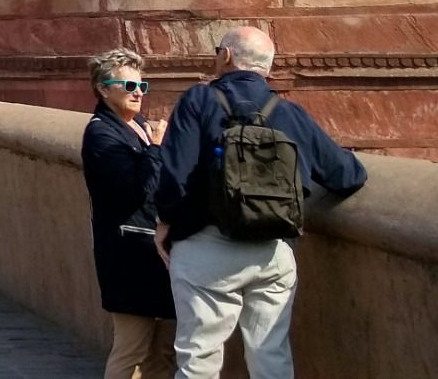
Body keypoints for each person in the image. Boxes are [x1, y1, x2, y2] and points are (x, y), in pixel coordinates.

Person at [153, 24, 368, 379]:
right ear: (267, 68)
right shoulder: (288, 113)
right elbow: (348, 176)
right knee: (271, 357)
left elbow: (174, 179)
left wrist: (165, 225)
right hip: (272, 249)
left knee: (198, 359)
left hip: (205, 247)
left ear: (225, 56)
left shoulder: (199, 100)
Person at [81, 49, 174, 379]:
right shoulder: (101, 134)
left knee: (163, 351)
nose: (138, 92)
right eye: (128, 85)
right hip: (128, 256)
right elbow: (137, 189)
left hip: (155, 252)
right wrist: (157, 149)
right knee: (132, 349)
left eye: (142, 86)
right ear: (104, 89)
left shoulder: (140, 126)